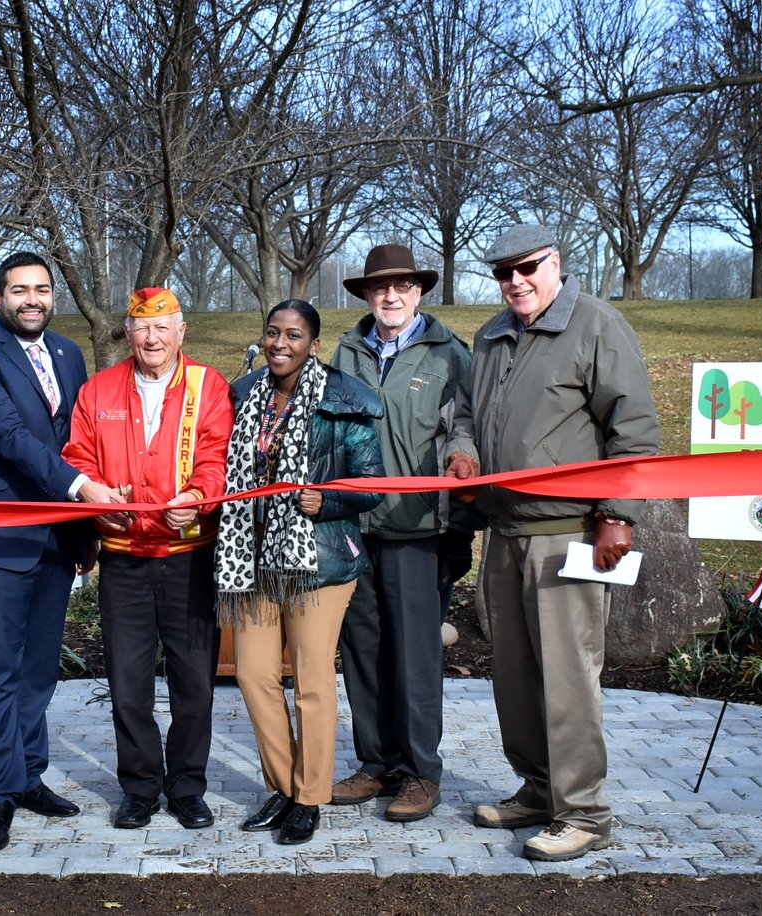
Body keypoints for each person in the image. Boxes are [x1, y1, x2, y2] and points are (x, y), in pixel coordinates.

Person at [444, 224, 660, 862]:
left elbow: (633, 427)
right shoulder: (490, 335)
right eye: (502, 272)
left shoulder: (596, 324)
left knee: (568, 680)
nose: (516, 281)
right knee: (514, 679)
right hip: (504, 532)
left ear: (555, 263)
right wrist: (463, 450)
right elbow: (465, 412)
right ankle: (539, 790)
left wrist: (617, 515)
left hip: (567, 533)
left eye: (528, 267)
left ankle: (584, 813)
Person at [0, 251, 125, 851]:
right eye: (19, 290)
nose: (32, 300)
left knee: (40, 668)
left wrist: (87, 528)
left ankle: (27, 776)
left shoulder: (69, 354)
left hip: (56, 535)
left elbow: (80, 440)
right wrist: (82, 489)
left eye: (42, 289)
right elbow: (9, 436)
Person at [60, 287, 233, 831]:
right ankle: (139, 788)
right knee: (127, 684)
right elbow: (79, 457)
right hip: (125, 560)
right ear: (129, 334)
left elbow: (216, 455)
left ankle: (187, 786)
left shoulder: (209, 384)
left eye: (162, 327)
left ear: (182, 332)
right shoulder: (98, 389)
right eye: (141, 328)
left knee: (194, 685)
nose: (152, 338)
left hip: (189, 558)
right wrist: (94, 501)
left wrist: (199, 496)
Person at [217, 299, 385, 846]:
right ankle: (284, 786)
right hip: (252, 556)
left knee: (311, 682)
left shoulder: (346, 400)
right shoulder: (242, 395)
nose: (280, 344)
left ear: (314, 344)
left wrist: (329, 500)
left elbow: (373, 484)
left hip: (321, 561)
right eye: (272, 332)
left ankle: (310, 797)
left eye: (294, 335)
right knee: (253, 675)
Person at [328, 244, 475, 822]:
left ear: (418, 292)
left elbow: (467, 428)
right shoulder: (345, 352)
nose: (391, 296)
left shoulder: (449, 354)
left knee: (415, 654)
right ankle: (376, 762)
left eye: (402, 287)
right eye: (380, 287)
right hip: (353, 525)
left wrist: (460, 498)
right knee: (362, 649)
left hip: (417, 527)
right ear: (367, 294)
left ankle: (419, 771)